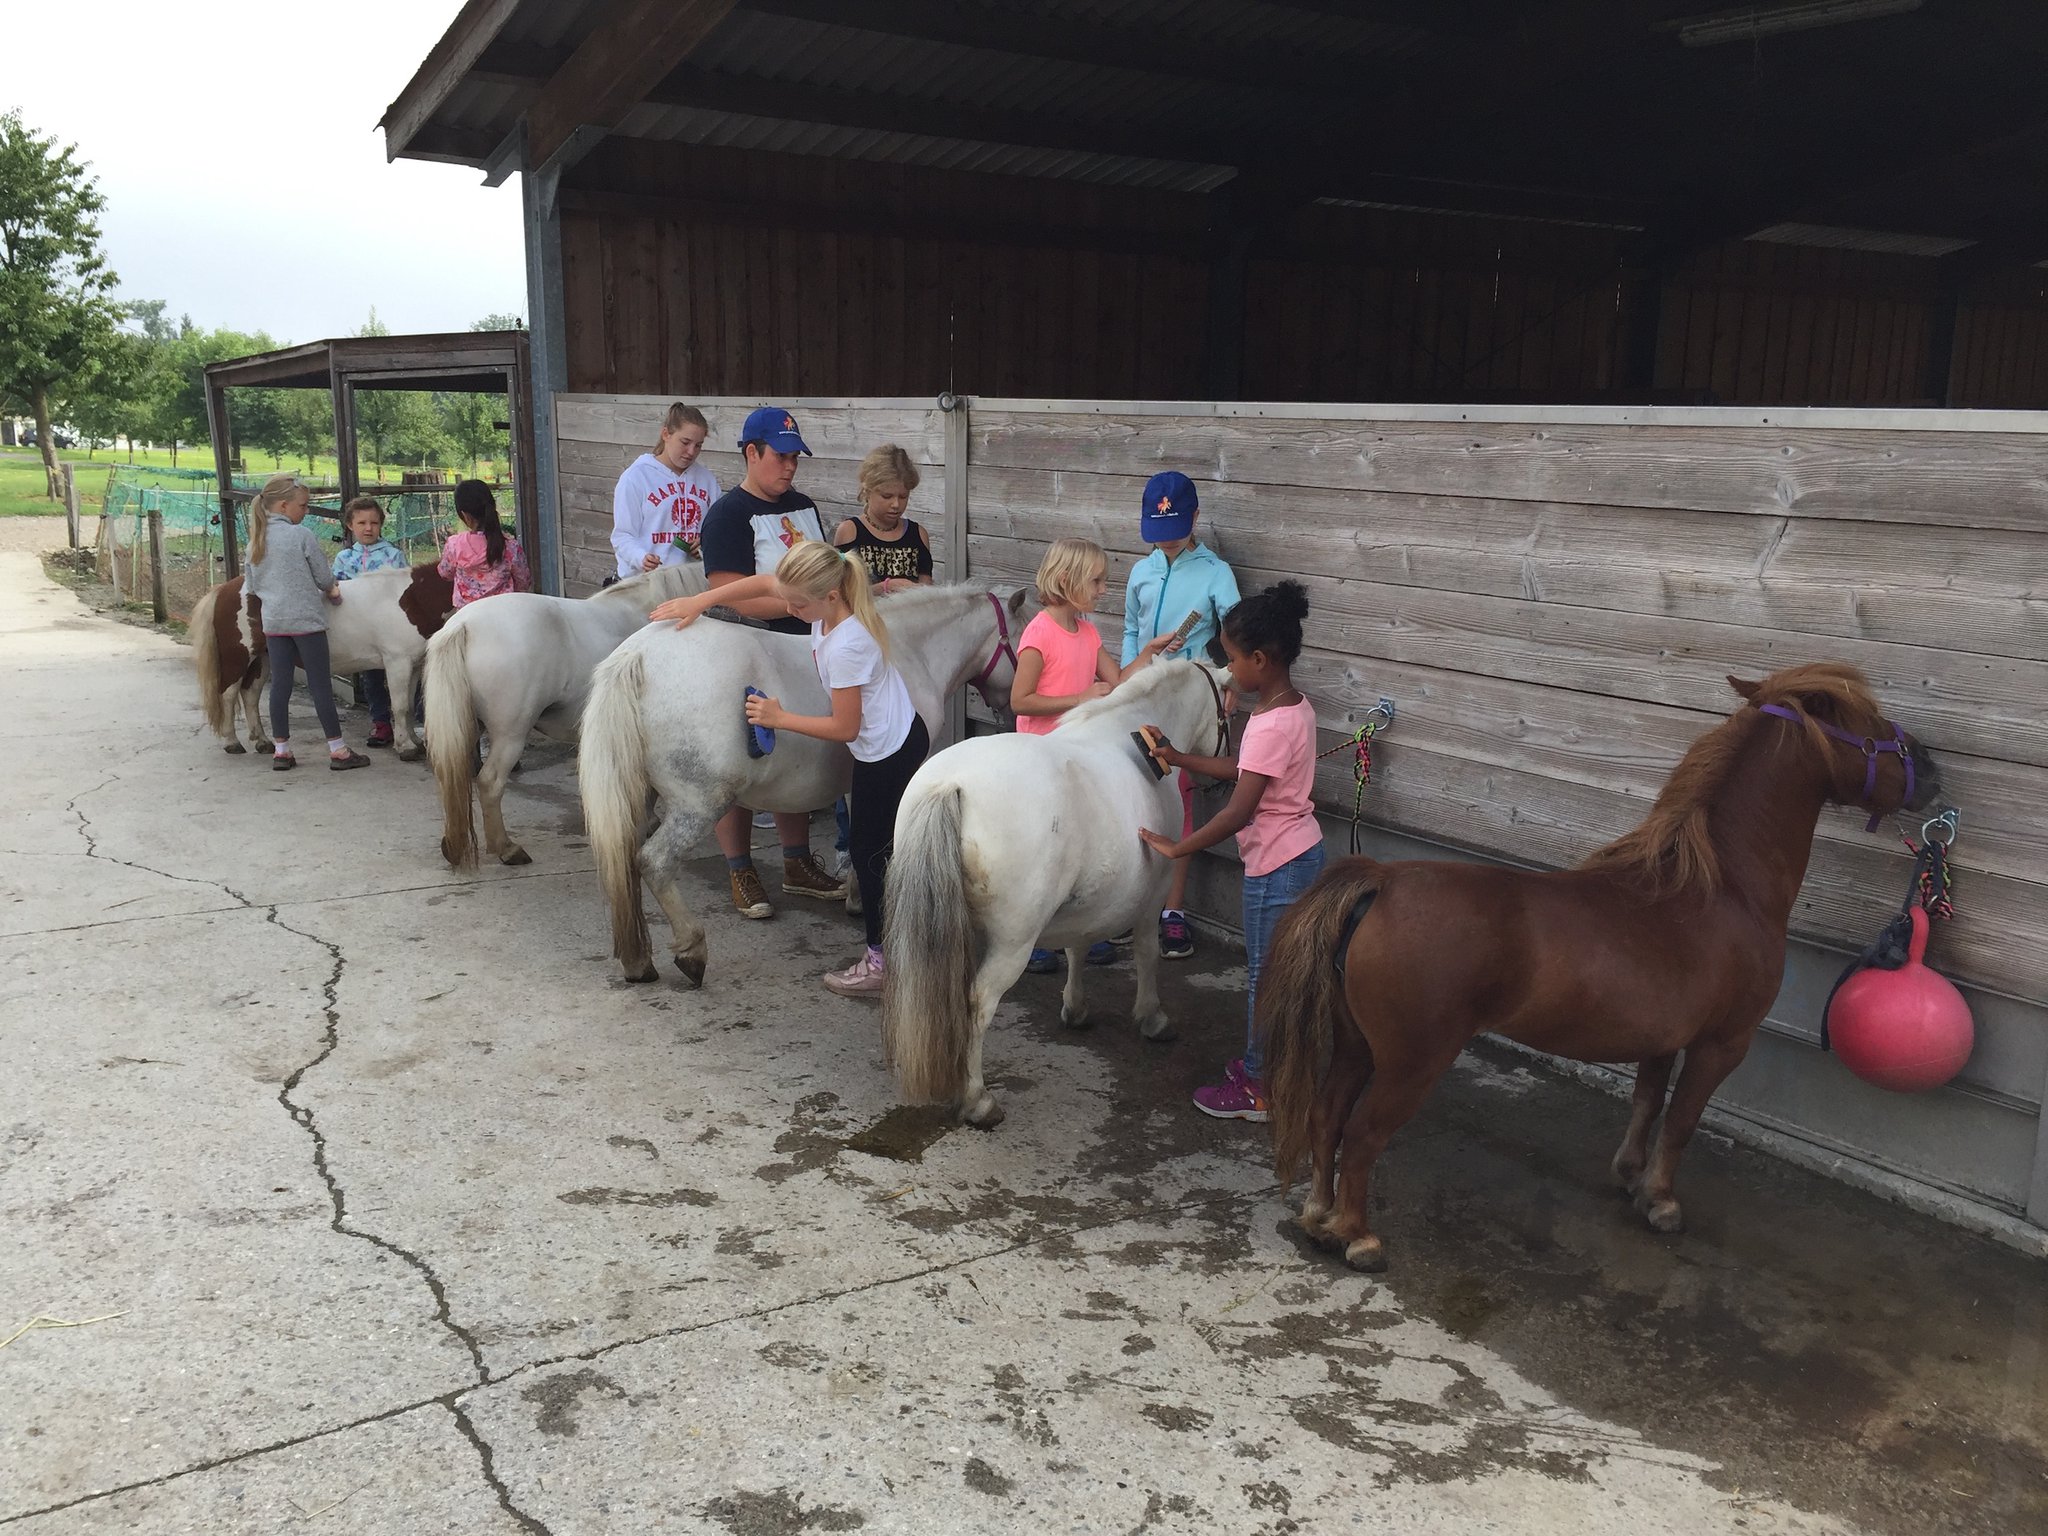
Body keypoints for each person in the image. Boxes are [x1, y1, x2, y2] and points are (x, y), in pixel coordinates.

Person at [656, 541, 925, 995]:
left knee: (871, 855)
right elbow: (765, 583)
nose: (787, 608)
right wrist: (701, 601)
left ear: (831, 596)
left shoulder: (847, 644)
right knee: (877, 851)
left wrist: (779, 718)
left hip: (888, 753)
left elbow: (845, 726)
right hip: (886, 739)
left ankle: (884, 962)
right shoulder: (826, 605)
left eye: (797, 604)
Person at [1137, 581, 1320, 1123]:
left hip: (1275, 868)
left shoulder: (1265, 725)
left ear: (1260, 660)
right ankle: (1276, 1068)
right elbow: (1245, 772)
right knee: (1283, 974)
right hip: (1301, 851)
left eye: (1234, 658)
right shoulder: (1296, 708)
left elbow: (1238, 810)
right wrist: (1179, 757)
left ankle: (1260, 1088)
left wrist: (1177, 847)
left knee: (1266, 976)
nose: (1229, 670)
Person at [688, 405, 844, 918]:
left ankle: (797, 862)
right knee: (737, 758)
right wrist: (806, 606)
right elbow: (728, 594)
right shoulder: (728, 516)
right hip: (748, 651)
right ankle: (740, 868)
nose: (790, 467)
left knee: (795, 749)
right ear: (751, 453)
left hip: (807, 646)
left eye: (795, 457)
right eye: (780, 456)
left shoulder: (803, 506)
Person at [1012, 536, 1183, 973]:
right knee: (1038, 849)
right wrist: (1080, 698)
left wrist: (1148, 653)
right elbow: (1020, 700)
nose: (1104, 589)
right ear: (1067, 580)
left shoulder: (1087, 632)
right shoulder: (1039, 632)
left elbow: (1118, 685)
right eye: (1097, 580)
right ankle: (1031, 935)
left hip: (1078, 757)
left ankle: (1075, 930)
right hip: (1041, 755)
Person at [1122, 470, 1241, 962]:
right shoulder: (1141, 571)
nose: (1164, 537)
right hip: (1141, 696)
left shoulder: (1216, 572)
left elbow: (1237, 636)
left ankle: (1173, 911)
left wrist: (1229, 683)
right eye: (1156, 526)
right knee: (1133, 793)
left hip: (1189, 702)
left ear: (1194, 516)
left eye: (1173, 525)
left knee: (1182, 796)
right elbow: (1131, 628)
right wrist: (1127, 678)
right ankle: (1129, 905)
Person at [242, 474, 369, 773]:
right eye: (304, 505)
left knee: (280, 687)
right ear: (285, 506)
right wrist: (333, 591)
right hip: (306, 623)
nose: (306, 510)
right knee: (320, 685)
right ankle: (337, 750)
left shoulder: (255, 542)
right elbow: (324, 578)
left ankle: (282, 751)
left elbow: (251, 586)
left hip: (274, 623)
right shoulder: (301, 536)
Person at [610, 402, 718, 582]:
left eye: (698, 445)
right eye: (685, 442)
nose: (691, 452)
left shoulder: (707, 481)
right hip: (645, 584)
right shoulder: (636, 477)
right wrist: (641, 557)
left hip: (691, 585)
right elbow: (622, 536)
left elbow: (716, 530)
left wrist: (705, 543)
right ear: (666, 434)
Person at [332, 496, 408, 747]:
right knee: (372, 678)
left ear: (381, 525)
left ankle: (407, 724)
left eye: (374, 523)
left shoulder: (394, 556)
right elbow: (336, 589)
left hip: (394, 632)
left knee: (405, 677)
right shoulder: (344, 559)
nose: (368, 528)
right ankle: (381, 723)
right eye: (361, 522)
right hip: (361, 634)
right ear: (350, 525)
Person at [832, 444, 932, 592]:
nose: (896, 504)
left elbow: (927, 592)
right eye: (887, 496)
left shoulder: (918, 534)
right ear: (867, 491)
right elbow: (840, 592)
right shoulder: (850, 532)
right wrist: (885, 587)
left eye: (904, 496)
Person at [438, 479, 532, 607]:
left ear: (465, 516)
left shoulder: (454, 545)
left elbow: (445, 573)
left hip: (466, 615)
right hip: (503, 613)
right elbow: (524, 581)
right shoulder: (510, 547)